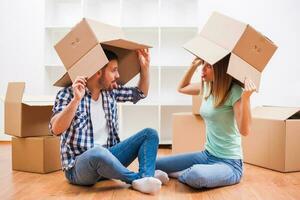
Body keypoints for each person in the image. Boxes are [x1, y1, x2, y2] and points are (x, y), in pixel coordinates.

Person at [49, 49, 169, 194]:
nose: (118, 75)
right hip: (79, 169)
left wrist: (145, 67)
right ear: (98, 71)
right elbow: (56, 129)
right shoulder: (67, 94)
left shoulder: (110, 93)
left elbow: (140, 93)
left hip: (109, 160)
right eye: (114, 70)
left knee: (150, 134)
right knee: (98, 152)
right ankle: (139, 178)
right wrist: (76, 100)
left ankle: (146, 176)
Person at [156, 55, 256, 189]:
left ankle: (180, 174)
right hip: (207, 155)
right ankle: (182, 172)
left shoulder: (234, 92)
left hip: (229, 164)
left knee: (197, 175)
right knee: (156, 163)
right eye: (203, 64)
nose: (203, 69)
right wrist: (193, 66)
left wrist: (246, 99)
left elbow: (245, 131)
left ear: (220, 69)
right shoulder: (207, 87)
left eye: (208, 66)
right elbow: (181, 88)